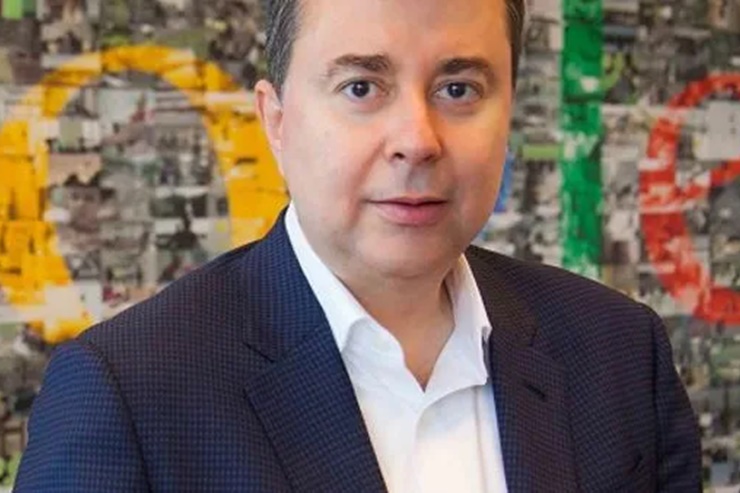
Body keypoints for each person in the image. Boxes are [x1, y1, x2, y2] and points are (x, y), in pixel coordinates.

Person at [15, 0, 701, 491]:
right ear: (276, 120)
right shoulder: (127, 392)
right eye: (361, 87)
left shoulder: (619, 351)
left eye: (458, 88)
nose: (417, 139)